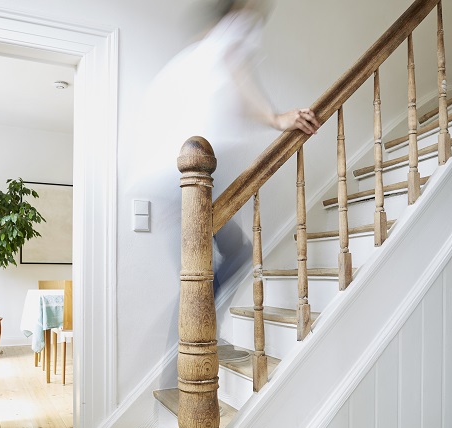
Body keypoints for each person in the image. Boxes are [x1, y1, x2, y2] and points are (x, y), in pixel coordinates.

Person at [132, 0, 320, 289]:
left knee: (201, 276)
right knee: (204, 277)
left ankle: (191, 333)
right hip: (184, 178)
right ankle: (187, 335)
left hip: (173, 180)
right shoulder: (232, 30)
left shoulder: (195, 54)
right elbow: (238, 75)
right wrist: (276, 119)